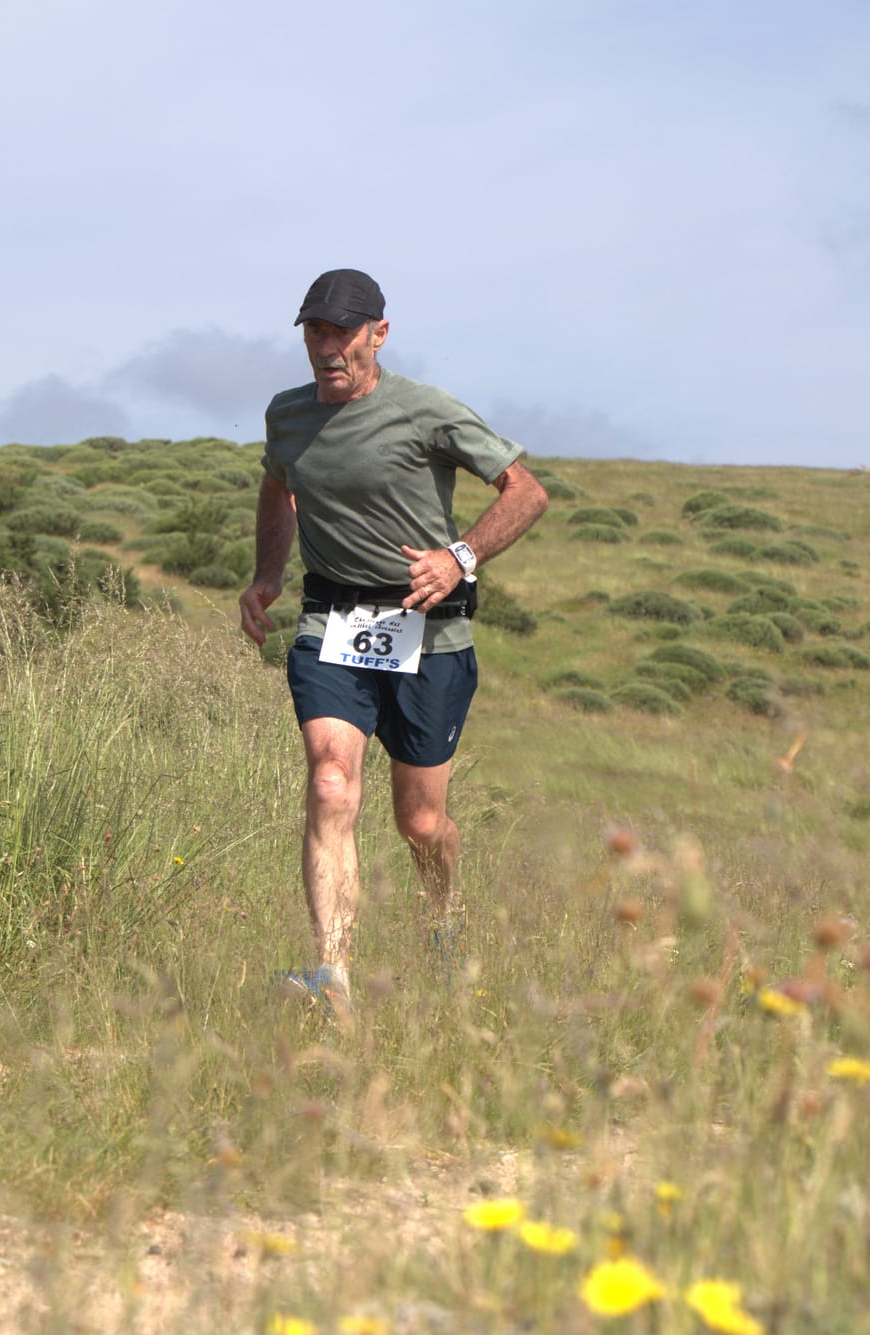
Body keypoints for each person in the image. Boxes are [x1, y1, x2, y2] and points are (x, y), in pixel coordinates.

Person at [239, 269, 549, 1016]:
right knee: (330, 782)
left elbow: (527, 492)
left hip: (428, 632)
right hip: (333, 623)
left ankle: (445, 917)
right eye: (315, 332)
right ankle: (332, 977)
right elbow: (278, 486)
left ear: (379, 333)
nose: (328, 348)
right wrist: (267, 575)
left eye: (343, 333)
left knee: (419, 821)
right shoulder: (287, 415)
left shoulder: (427, 412)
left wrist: (459, 558)